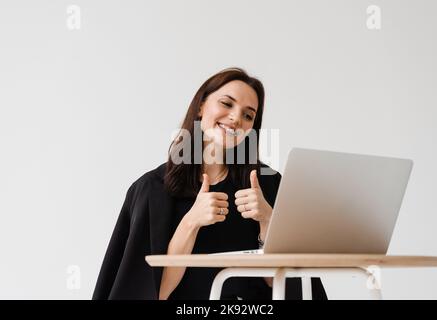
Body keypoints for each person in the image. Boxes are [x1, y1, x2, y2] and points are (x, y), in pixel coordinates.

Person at [92, 67, 327, 300]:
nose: (236, 118)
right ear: (201, 106)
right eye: (227, 103)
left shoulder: (268, 184)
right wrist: (191, 223)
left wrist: (268, 221)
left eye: (248, 115)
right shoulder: (152, 190)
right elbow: (152, 293)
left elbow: (288, 290)